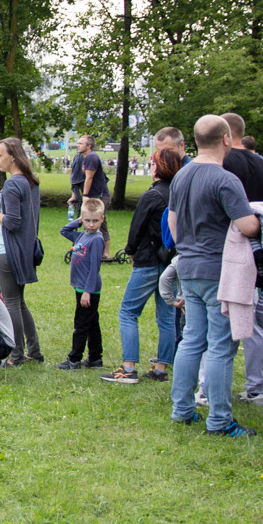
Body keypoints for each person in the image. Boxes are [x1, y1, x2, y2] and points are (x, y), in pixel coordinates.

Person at [168, 114, 261, 438]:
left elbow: (173, 221)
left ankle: (182, 410)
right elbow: (248, 225)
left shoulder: (181, 176)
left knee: (192, 338)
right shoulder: (225, 179)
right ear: (226, 139)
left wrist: (186, 248)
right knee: (221, 345)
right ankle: (219, 420)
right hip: (217, 269)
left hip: (188, 266)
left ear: (194, 141)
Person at [220, 112, 263, 405]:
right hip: (259, 247)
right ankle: (258, 387)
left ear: (224, 133)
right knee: (254, 321)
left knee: (220, 319)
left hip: (228, 245)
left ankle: (210, 389)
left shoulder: (223, 162)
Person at [101, 148, 181, 384]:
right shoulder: (178, 193)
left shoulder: (152, 196)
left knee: (128, 311)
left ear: (157, 166)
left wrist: (131, 252)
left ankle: (128, 368)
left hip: (148, 260)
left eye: (152, 162)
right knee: (167, 315)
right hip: (170, 261)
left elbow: (136, 228)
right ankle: (161, 367)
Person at [0, 138, 42, 366]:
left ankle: (16, 355)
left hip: (7, 250)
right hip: (22, 250)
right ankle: (33, 350)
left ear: (13, 157)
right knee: (20, 302)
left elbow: (13, 222)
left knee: (12, 303)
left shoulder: (14, 184)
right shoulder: (29, 181)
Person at [57, 199, 106, 370]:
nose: (91, 225)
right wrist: (78, 220)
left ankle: (74, 359)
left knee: (81, 324)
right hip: (80, 287)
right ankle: (95, 358)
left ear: (102, 219)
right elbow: (64, 230)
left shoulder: (97, 240)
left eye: (95, 221)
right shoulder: (82, 235)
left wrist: (88, 291)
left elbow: (95, 268)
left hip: (88, 289)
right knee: (92, 323)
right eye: (87, 220)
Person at [69, 135, 112, 259]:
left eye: (81, 143)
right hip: (93, 195)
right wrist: (74, 195)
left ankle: (106, 253)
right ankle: (88, 249)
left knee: (99, 223)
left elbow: (89, 177)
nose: (78, 145)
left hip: (100, 196)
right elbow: (79, 179)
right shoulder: (83, 158)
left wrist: (85, 196)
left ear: (89, 146)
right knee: (88, 223)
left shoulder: (92, 157)